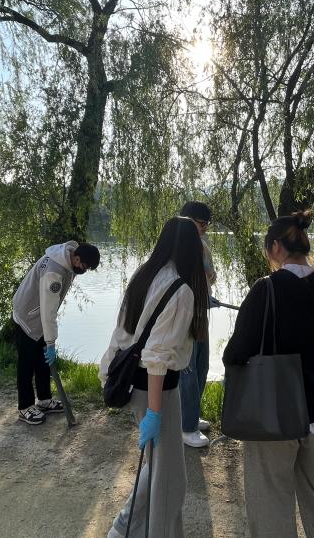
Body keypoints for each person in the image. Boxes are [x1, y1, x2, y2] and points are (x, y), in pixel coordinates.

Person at [223, 211, 314, 538]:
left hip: (276, 413)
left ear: (276, 247)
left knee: (270, 497)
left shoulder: (267, 289)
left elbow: (236, 352)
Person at [100, 217, 209, 538]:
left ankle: (125, 528)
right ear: (192, 248)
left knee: (161, 469)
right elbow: (157, 357)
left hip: (134, 384)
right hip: (156, 390)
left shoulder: (144, 274)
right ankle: (141, 530)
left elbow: (122, 332)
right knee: (170, 481)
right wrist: (155, 413)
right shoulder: (181, 289)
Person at [11, 240, 100, 425]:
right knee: (27, 363)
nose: (84, 271)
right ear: (77, 258)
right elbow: (48, 310)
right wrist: (51, 342)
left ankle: (44, 400)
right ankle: (25, 407)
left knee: (42, 361)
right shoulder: (54, 272)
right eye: (85, 267)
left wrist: (48, 340)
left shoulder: (67, 260)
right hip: (27, 316)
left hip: (38, 315)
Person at [178, 200, 217, 448]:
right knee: (188, 369)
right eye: (200, 223)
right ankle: (186, 427)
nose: (204, 227)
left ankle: (190, 415)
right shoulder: (179, 246)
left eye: (206, 224)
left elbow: (209, 276)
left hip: (201, 310)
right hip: (186, 314)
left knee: (202, 365)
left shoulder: (202, 245)